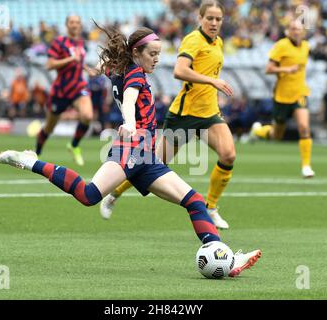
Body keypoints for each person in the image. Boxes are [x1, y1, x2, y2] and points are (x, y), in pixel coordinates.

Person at [0, 24, 261, 277]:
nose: (157, 59)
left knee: (194, 201)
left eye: (158, 53)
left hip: (147, 157)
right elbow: (131, 98)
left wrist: (100, 68)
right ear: (136, 53)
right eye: (152, 54)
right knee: (89, 195)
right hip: (131, 147)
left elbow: (113, 74)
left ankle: (222, 254)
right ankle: (30, 162)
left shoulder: (121, 68)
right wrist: (130, 123)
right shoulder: (134, 73)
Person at [100, 0, 236, 230]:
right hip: (185, 114)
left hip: (210, 113)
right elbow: (179, 71)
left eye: (218, 19)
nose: (214, 22)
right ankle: (114, 193)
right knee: (152, 162)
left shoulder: (219, 42)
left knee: (228, 155)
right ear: (200, 19)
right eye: (209, 18)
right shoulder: (193, 40)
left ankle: (211, 207)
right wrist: (212, 81)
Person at [249, 20, 315, 178]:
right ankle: (258, 131)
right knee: (276, 136)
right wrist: (287, 69)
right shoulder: (281, 46)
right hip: (282, 96)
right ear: (287, 31)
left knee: (304, 127)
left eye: (298, 29)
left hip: (299, 93)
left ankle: (306, 166)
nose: (296, 31)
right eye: (292, 28)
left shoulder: (306, 46)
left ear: (303, 32)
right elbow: (268, 69)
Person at [35, 15, 96, 166]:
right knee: (49, 127)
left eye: (77, 22)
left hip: (78, 87)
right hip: (61, 91)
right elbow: (49, 65)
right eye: (72, 22)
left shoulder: (81, 43)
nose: (75, 25)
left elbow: (78, 62)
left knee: (87, 115)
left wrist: (88, 69)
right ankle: (36, 153)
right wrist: (69, 59)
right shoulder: (59, 42)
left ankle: (74, 145)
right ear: (67, 24)